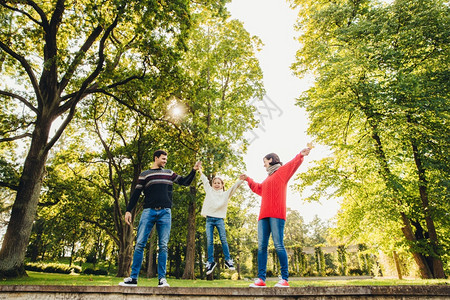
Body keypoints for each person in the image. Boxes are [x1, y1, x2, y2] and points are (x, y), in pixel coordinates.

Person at [119, 149, 200, 287]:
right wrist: (128, 210)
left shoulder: (169, 173)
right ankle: (133, 278)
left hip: (165, 213)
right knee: (139, 244)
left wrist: (193, 170)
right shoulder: (145, 175)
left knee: (163, 245)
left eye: (166, 159)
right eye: (163, 159)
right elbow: (136, 194)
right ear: (156, 158)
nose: (165, 161)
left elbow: (184, 182)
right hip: (148, 212)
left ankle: (162, 279)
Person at [240, 147, 311, 288]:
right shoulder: (268, 179)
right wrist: (248, 179)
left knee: (278, 245)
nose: (264, 164)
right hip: (263, 216)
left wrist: (300, 155)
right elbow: (258, 188)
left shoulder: (281, 172)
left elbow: (292, 165)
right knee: (261, 247)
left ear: (271, 160)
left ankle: (284, 279)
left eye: (265, 161)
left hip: (276, 214)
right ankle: (261, 279)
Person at [198, 163, 243, 275]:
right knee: (209, 241)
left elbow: (233, 188)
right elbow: (204, 180)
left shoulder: (225, 194)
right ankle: (210, 262)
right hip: (209, 219)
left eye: (219, 183)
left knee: (223, 239)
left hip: (219, 220)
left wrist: (240, 180)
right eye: (215, 183)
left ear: (222, 185)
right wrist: (199, 170)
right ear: (212, 184)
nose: (216, 184)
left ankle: (228, 260)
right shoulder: (209, 190)